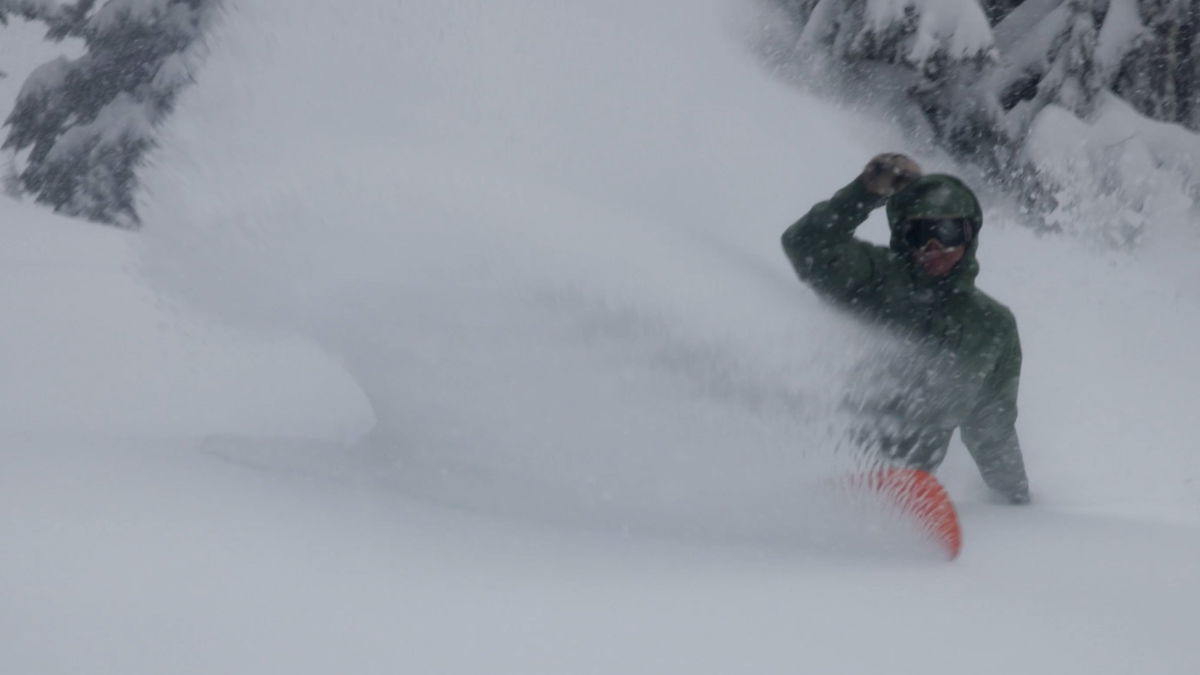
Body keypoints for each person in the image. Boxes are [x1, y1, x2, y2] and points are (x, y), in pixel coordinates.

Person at [781, 153, 1030, 504]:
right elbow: (806, 244)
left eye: (947, 232)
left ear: (969, 234)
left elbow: (993, 430)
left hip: (904, 493)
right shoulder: (871, 281)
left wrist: (1018, 501)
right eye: (920, 233)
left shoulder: (991, 327)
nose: (934, 248)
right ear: (901, 234)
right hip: (826, 468)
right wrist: (865, 193)